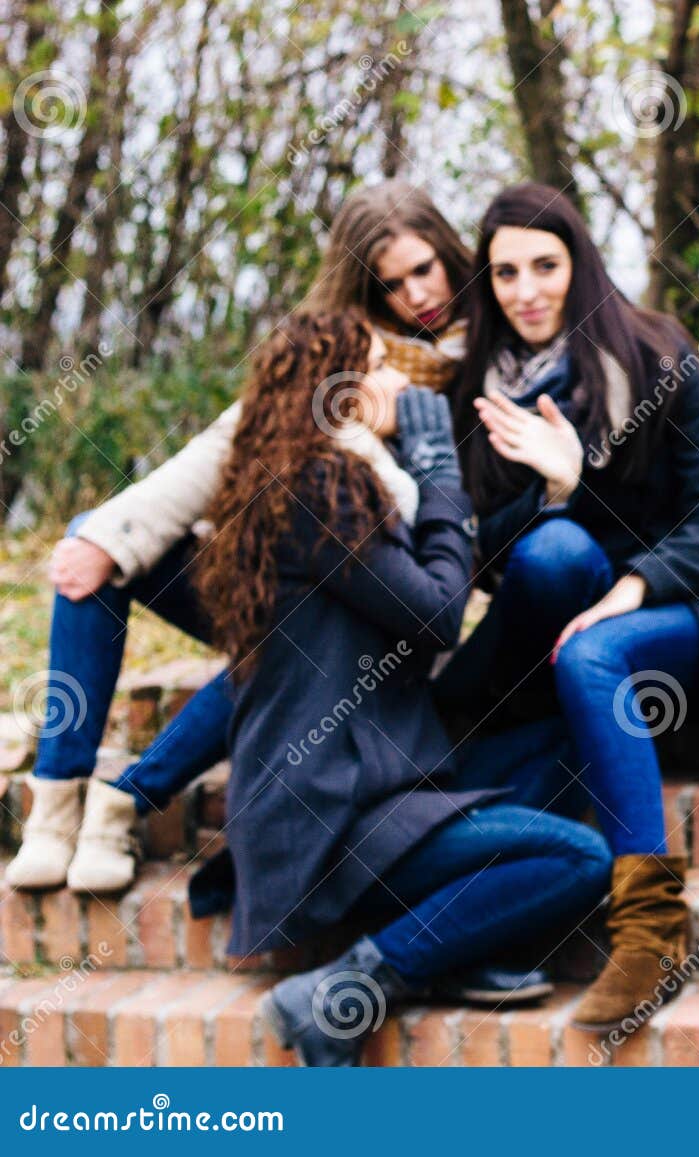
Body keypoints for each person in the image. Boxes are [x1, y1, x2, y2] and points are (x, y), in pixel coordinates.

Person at [9, 182, 476, 896]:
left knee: (296, 629)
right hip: (295, 585)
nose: (417, 293)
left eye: (426, 268)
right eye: (392, 282)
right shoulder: (340, 350)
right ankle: (58, 792)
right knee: (92, 539)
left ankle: (125, 800)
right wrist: (114, 535)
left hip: (388, 612)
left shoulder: (483, 356)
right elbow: (229, 441)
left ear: (449, 250)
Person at [436, 183, 699, 1030]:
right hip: (565, 625)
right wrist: (557, 488)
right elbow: (496, 561)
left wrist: (631, 584)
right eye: (505, 273)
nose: (527, 289)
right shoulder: (481, 393)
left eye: (545, 265)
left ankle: (649, 932)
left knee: (590, 652)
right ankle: (484, 906)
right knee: (560, 570)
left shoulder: (653, 354)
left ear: (579, 264)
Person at [189, 310, 610, 1066]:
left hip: (375, 784)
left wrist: (547, 494)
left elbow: (446, 571)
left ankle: (454, 938)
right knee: (578, 857)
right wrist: (440, 472)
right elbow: (439, 613)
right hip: (329, 815)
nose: (399, 381)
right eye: (380, 365)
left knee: (562, 739)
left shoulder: (341, 484)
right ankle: (347, 989)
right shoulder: (320, 487)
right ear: (338, 391)